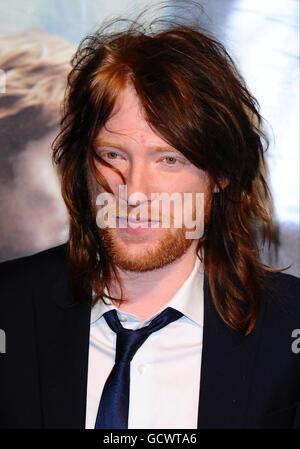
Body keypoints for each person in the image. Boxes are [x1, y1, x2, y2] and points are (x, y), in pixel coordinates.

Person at [0, 14, 299, 430]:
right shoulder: (9, 309)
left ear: (221, 175)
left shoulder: (289, 328)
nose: (135, 192)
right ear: (82, 166)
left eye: (169, 159)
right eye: (113, 155)